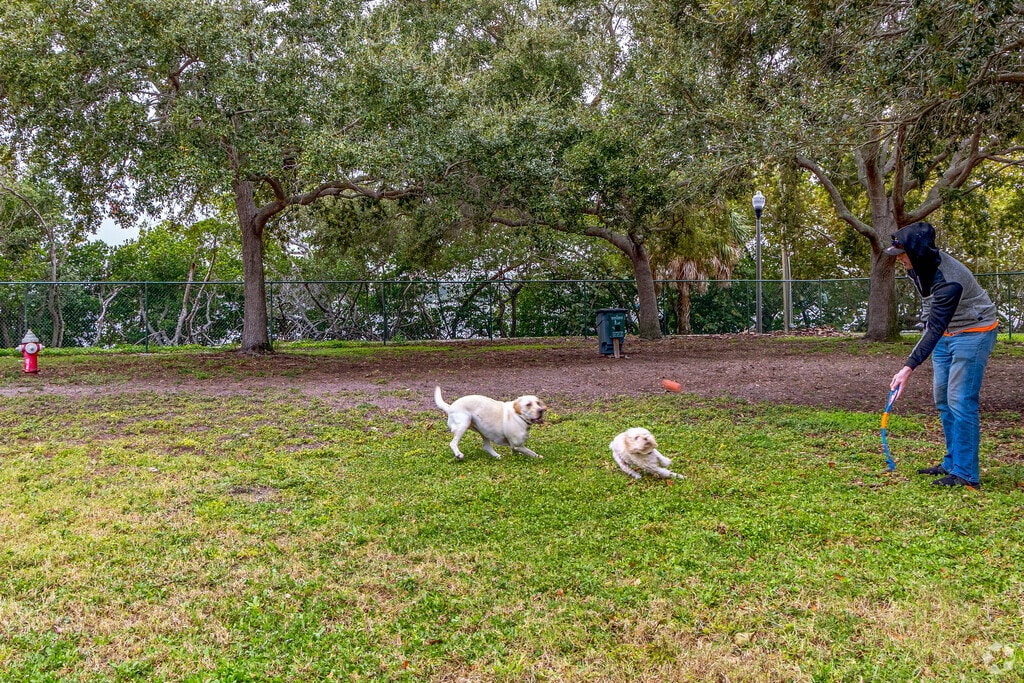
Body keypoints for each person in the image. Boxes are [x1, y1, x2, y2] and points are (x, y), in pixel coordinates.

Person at [887, 221, 999, 489]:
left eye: (902, 254)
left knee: (960, 400)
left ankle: (966, 474)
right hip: (945, 335)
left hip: (973, 333)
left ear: (916, 252)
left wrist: (907, 368)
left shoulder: (950, 280)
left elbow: (935, 326)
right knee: (943, 399)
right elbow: (930, 311)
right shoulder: (917, 267)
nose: (899, 259)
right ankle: (952, 462)